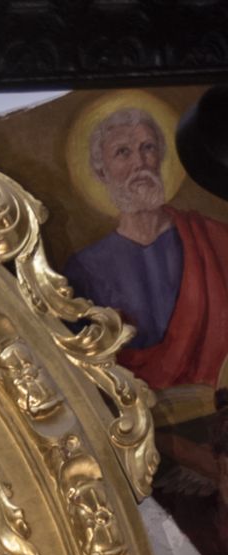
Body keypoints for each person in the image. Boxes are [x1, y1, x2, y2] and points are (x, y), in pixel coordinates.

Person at [64, 104, 228, 396]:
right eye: (123, 152)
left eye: (148, 148)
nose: (140, 163)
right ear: (101, 171)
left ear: (161, 157)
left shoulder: (215, 239)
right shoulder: (83, 270)